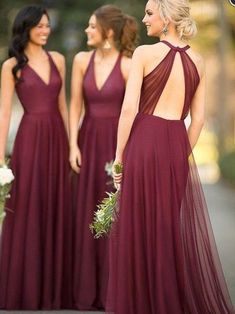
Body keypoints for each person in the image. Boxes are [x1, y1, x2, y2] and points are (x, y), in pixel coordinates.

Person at [108, 0, 235, 313]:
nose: (144, 17)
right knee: (165, 229)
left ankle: (137, 304)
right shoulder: (200, 60)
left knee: (137, 229)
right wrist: (180, 154)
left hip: (143, 143)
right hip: (176, 145)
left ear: (166, 17)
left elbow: (128, 110)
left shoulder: (144, 54)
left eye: (150, 13)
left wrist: (118, 158)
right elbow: (199, 119)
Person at [0, 5, 72, 310]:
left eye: (47, 26)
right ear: (26, 27)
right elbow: (4, 112)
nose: (45, 30)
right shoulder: (11, 66)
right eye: (39, 26)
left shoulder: (58, 59)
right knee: (28, 206)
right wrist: (1, 157)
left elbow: (64, 105)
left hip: (57, 137)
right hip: (29, 139)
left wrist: (72, 145)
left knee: (55, 205)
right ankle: (25, 289)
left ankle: (54, 290)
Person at [69, 4, 138, 310]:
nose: (87, 30)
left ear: (108, 31)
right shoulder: (82, 60)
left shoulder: (127, 65)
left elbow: (134, 111)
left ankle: (113, 292)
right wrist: (73, 144)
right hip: (87, 140)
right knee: (86, 211)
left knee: (111, 213)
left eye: (92, 26)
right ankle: (85, 292)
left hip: (115, 145)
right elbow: (74, 106)